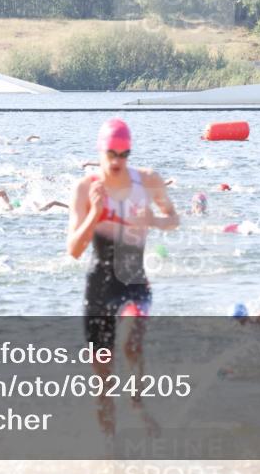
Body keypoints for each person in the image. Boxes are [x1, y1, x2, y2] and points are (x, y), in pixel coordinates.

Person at [66, 118, 178, 439]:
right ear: (100, 152)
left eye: (124, 154)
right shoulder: (85, 188)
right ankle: (110, 451)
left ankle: (137, 405)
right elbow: (74, 249)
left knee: (131, 342)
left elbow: (173, 218)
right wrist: (94, 213)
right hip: (99, 287)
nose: (118, 161)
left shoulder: (148, 181)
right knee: (102, 382)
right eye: (111, 154)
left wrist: (154, 220)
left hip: (134, 281)